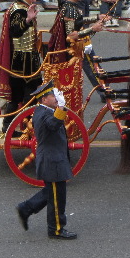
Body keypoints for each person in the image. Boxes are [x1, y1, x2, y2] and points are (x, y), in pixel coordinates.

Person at [14, 80, 78, 240]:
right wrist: (61, 108)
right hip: (52, 161)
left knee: (51, 193)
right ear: (44, 100)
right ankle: (56, 229)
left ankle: (26, 208)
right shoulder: (45, 114)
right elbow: (54, 124)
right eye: (53, 96)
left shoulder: (45, 111)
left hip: (53, 159)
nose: (56, 98)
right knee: (58, 198)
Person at [0, 0, 44, 127]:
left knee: (28, 94)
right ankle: (12, 126)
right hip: (22, 60)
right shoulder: (18, 10)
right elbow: (15, 31)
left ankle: (20, 125)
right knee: (25, 95)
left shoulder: (24, 7)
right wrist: (27, 20)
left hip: (29, 58)